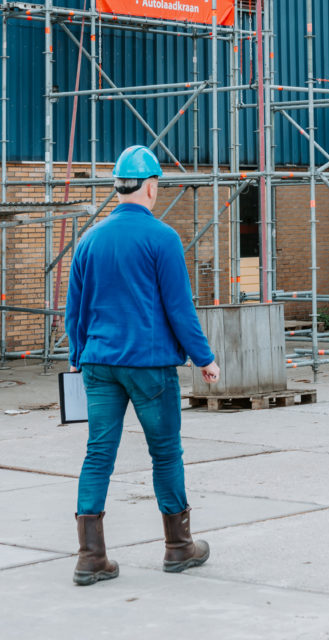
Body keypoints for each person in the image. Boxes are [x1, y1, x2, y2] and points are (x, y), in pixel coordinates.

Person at [65, 144, 220, 586]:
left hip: (97, 363)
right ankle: (178, 547)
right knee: (165, 453)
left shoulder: (89, 239)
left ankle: (90, 557)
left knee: (98, 454)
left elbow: (74, 311)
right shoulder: (162, 239)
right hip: (149, 366)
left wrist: (79, 356)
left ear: (118, 187)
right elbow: (179, 308)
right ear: (151, 187)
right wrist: (204, 358)